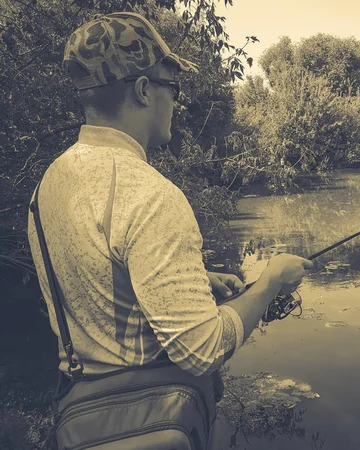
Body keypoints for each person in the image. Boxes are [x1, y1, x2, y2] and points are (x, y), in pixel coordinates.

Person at [27, 11, 312, 448]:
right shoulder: (150, 195)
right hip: (151, 425)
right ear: (144, 90)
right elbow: (203, 350)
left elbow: (97, 285)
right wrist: (271, 282)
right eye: (172, 88)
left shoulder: (49, 183)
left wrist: (196, 281)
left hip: (81, 421)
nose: (176, 102)